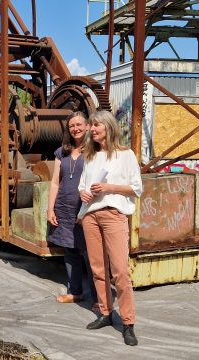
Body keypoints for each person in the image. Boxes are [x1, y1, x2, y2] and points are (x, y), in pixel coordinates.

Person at [77, 110, 142, 346]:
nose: (91, 129)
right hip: (90, 216)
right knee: (97, 269)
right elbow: (83, 186)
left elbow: (136, 188)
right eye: (90, 126)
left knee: (120, 271)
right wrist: (82, 192)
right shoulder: (90, 156)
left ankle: (128, 323)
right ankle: (105, 313)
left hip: (114, 215)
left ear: (108, 126)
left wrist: (108, 187)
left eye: (96, 125)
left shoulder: (126, 155)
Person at [47, 111, 98, 312]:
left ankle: (98, 298)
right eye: (71, 126)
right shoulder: (62, 152)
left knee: (91, 254)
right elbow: (54, 182)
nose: (75, 128)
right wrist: (51, 208)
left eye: (78, 124)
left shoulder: (94, 151)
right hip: (65, 208)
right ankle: (75, 292)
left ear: (87, 126)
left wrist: (86, 210)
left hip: (86, 209)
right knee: (70, 251)